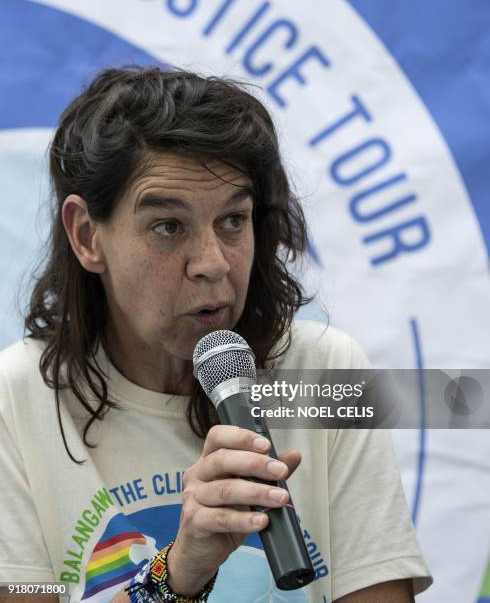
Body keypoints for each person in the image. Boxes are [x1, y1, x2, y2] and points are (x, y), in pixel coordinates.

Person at [0, 66, 432, 603]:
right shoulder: (15, 398)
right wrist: (176, 575)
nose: (211, 264)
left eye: (233, 220)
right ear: (87, 235)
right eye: (168, 227)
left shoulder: (324, 373)